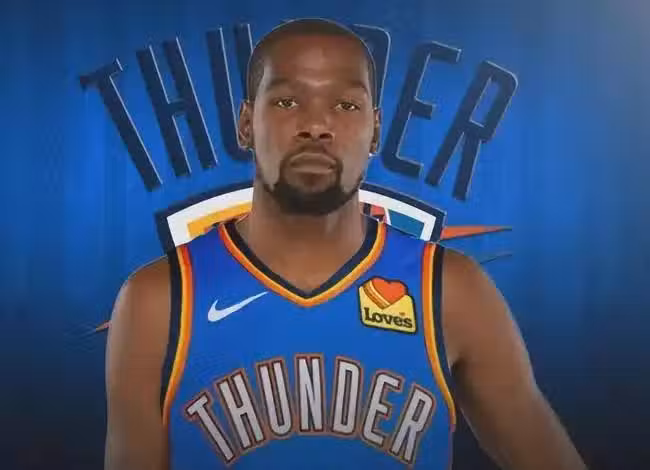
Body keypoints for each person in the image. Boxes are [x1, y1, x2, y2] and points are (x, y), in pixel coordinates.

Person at [104, 18, 588, 470]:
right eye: (287, 101)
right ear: (246, 123)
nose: (316, 125)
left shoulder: (451, 292)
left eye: (346, 105)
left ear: (375, 130)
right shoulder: (158, 301)